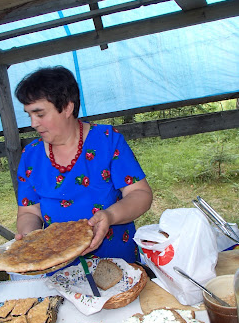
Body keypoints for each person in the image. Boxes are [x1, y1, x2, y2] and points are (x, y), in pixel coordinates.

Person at [14, 66, 152, 264]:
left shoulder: (107, 140)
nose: (33, 123)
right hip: (59, 268)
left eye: (40, 114)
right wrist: (31, 238)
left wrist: (110, 216)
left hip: (117, 263)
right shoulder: (31, 155)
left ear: (67, 107)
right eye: (29, 115)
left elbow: (141, 195)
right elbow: (29, 211)